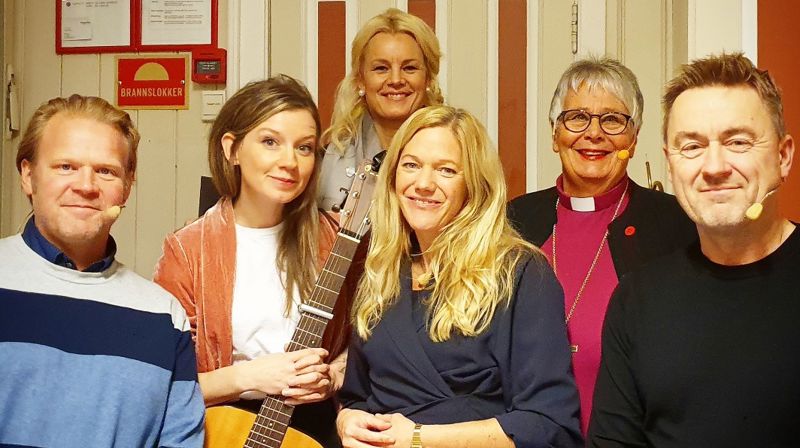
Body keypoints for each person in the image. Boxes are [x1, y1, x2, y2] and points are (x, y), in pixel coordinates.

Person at [337, 105, 582, 448]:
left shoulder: (520, 273)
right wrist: (347, 419)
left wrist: (419, 439)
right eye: (411, 165)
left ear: (475, 186)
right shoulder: (381, 273)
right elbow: (357, 396)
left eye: (446, 170)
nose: (423, 184)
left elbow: (549, 424)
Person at [588, 53, 798, 447]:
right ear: (670, 164)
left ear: (783, 157)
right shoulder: (638, 300)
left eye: (738, 142)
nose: (714, 166)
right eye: (692, 146)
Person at [154, 75, 357, 447]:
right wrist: (250, 376)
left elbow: (363, 339)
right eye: (270, 142)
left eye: (304, 148)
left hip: (314, 428)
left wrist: (333, 375)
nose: (289, 162)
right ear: (232, 149)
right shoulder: (187, 251)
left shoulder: (336, 240)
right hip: (227, 424)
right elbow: (162, 387)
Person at [0, 95, 204, 446]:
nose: (86, 186)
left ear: (127, 187)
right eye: (65, 166)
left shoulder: (164, 316)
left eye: (106, 171)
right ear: (28, 175)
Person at [507, 57, 696, 434]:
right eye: (576, 117)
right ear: (555, 133)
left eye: (613, 120)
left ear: (633, 137)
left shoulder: (675, 224)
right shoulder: (513, 221)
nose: (593, 133)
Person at [318, 8, 444, 211]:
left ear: (428, 78)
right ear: (360, 80)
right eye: (381, 68)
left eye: (409, 68)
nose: (395, 80)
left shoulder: (458, 152)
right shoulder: (324, 157)